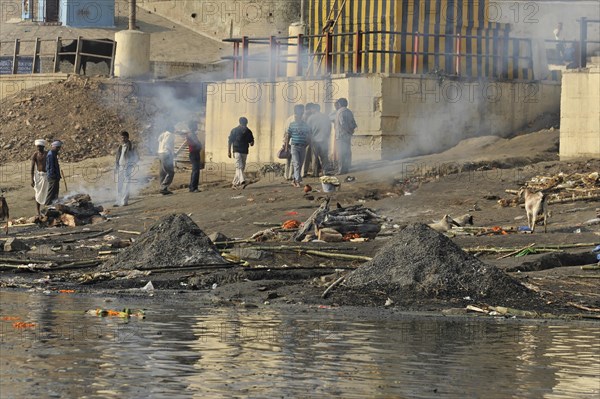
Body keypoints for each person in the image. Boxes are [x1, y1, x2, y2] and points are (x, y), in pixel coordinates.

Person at [285, 105, 311, 187]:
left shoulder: (305, 125)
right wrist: (286, 147)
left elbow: (308, 136)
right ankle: (297, 181)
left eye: (300, 113)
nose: (298, 115)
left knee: (299, 164)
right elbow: (288, 136)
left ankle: (294, 180)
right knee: (296, 163)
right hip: (294, 146)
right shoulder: (292, 124)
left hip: (302, 147)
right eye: (297, 114)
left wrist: (306, 144)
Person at [228, 117, 254, 189]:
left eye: (245, 124)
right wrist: (229, 151)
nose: (244, 125)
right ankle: (242, 180)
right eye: (243, 124)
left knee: (241, 167)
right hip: (237, 150)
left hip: (244, 151)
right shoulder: (234, 130)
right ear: (240, 123)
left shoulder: (248, 131)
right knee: (239, 166)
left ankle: (234, 184)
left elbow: (251, 142)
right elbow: (230, 141)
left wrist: (252, 142)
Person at [306, 103, 332, 176]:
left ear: (314, 109)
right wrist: (327, 136)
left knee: (314, 157)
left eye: (312, 109)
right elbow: (329, 128)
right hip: (324, 139)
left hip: (315, 140)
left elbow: (308, 130)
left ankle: (315, 173)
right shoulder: (325, 117)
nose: (311, 110)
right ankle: (325, 171)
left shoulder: (311, 118)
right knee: (324, 157)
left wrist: (309, 139)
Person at [333, 98, 357, 175]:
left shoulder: (339, 112)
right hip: (347, 135)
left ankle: (341, 170)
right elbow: (354, 123)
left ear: (339, 104)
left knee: (341, 153)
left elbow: (343, 124)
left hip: (341, 136)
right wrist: (351, 131)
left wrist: (347, 130)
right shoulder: (349, 112)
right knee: (347, 152)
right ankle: (346, 168)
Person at [114, 131, 139, 207]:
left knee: (126, 184)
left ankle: (124, 201)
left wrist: (131, 164)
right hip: (120, 166)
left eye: (124, 137)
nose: (122, 139)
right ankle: (118, 201)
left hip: (127, 167)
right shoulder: (120, 146)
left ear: (127, 138)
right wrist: (117, 166)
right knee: (119, 184)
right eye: (121, 137)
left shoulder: (132, 146)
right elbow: (118, 157)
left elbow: (137, 157)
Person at [283, 104, 305, 181]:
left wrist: (285, 144)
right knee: (295, 162)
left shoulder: (289, 119)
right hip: (293, 143)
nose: (303, 112)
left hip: (288, 142)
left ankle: (288, 176)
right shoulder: (296, 120)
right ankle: (294, 177)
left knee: (290, 161)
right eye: (302, 110)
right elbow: (288, 133)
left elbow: (285, 132)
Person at [30, 139, 48, 215]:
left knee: (46, 193)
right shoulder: (35, 155)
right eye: (37, 147)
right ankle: (38, 211)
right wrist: (32, 179)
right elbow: (32, 167)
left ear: (43, 146)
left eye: (40, 147)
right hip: (38, 176)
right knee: (38, 193)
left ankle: (46, 209)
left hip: (46, 175)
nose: (38, 148)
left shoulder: (47, 154)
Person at [184, 123, 203, 193]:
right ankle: (194, 188)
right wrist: (199, 144)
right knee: (195, 171)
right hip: (194, 154)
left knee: (195, 171)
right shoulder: (191, 135)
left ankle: (192, 187)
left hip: (195, 153)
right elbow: (196, 143)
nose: (197, 127)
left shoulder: (191, 134)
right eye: (195, 126)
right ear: (192, 127)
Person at [157, 125, 175, 195]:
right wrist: (172, 153)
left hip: (160, 153)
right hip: (166, 154)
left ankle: (162, 188)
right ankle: (163, 188)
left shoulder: (162, 134)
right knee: (170, 172)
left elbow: (159, 142)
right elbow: (167, 145)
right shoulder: (170, 135)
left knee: (162, 172)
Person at [45, 140, 62, 205]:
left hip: (55, 176)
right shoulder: (51, 154)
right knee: (51, 193)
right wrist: (53, 175)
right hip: (53, 177)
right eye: (57, 147)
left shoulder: (53, 154)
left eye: (59, 147)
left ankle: (53, 206)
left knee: (55, 193)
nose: (58, 149)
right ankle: (47, 206)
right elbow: (50, 166)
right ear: (54, 147)